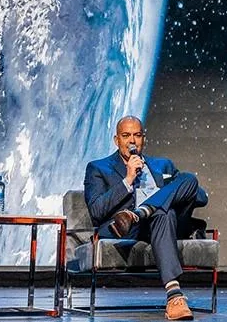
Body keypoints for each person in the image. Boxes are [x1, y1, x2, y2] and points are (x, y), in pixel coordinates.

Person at [83, 116, 209, 321]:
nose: (132, 141)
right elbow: (96, 211)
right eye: (126, 136)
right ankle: (174, 296)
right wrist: (128, 180)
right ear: (116, 140)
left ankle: (142, 211)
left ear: (143, 138)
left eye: (137, 135)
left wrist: (169, 193)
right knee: (164, 212)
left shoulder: (163, 165)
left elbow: (201, 197)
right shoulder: (98, 168)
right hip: (126, 228)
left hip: (166, 225)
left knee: (188, 180)